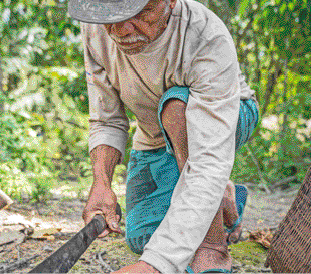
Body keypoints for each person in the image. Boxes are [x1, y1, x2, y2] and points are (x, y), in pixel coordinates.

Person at [68, 0, 259, 272]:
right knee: (143, 239)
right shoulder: (96, 27)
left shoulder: (205, 35)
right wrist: (101, 183)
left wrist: (154, 266)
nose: (121, 30)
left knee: (176, 106)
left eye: (140, 13)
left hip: (226, 118)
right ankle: (223, 192)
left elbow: (208, 159)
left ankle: (214, 247)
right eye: (112, 17)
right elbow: (107, 118)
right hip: (155, 137)